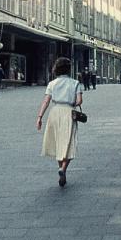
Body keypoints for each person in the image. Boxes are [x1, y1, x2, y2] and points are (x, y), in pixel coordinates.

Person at [36, 56, 83, 187]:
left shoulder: (52, 84)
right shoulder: (75, 83)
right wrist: (73, 102)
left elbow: (46, 101)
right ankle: (63, 168)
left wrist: (40, 117)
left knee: (57, 142)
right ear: (69, 69)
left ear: (56, 69)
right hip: (69, 112)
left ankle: (61, 169)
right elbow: (79, 101)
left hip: (55, 112)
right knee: (69, 142)